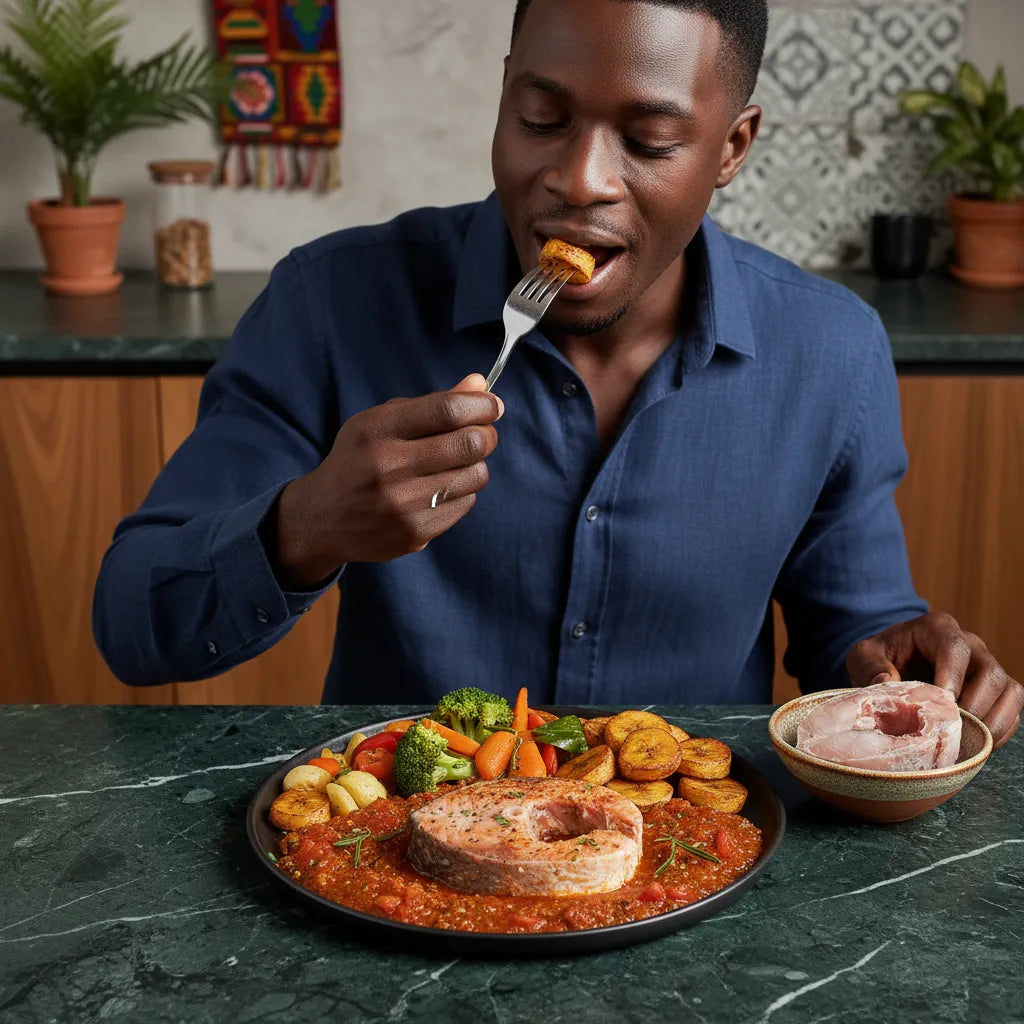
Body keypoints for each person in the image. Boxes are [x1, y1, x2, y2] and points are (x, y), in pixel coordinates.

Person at [93, 0, 1021, 747]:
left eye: (648, 141)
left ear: (732, 148)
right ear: (505, 98)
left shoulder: (831, 350)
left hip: (694, 861)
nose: (581, 179)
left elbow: (848, 636)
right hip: (392, 869)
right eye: (542, 118)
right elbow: (136, 626)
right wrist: (304, 527)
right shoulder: (329, 303)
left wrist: (898, 667)